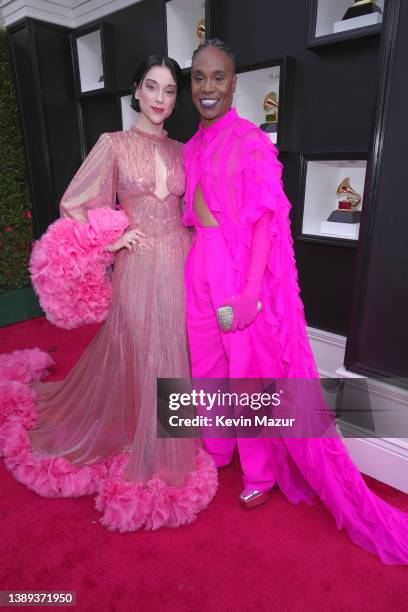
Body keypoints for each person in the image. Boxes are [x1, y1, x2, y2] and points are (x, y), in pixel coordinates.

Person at [183, 38, 408, 564]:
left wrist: (251, 293)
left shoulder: (251, 142)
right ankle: (216, 450)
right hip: (198, 268)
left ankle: (260, 472)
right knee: (206, 368)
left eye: (218, 77)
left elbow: (266, 222)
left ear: (235, 84)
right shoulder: (191, 145)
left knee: (246, 378)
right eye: (199, 77)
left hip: (236, 275)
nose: (208, 87)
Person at [0, 55, 217, 532]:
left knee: (174, 349)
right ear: (136, 90)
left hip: (180, 262)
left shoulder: (185, 151)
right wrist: (113, 238)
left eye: (169, 91)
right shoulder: (113, 144)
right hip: (138, 265)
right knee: (141, 348)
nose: (161, 99)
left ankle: (169, 436)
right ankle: (143, 433)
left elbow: (195, 210)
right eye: (152, 88)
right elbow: (73, 203)